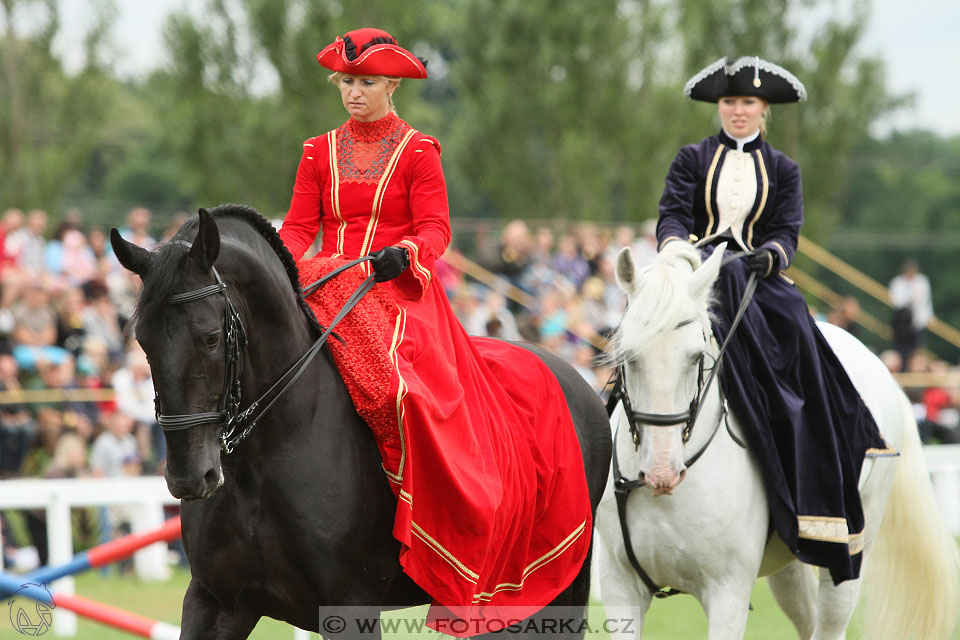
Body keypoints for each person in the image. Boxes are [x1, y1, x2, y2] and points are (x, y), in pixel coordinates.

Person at [277, 28, 591, 625]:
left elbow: (436, 231)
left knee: (404, 392)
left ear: (391, 84)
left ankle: (421, 519)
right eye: (346, 82)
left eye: (366, 82)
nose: (354, 93)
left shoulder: (419, 150)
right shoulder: (317, 151)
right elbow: (298, 228)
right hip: (322, 281)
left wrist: (408, 254)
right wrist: (281, 264)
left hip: (397, 290)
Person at [656, 56, 893, 584]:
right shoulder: (691, 158)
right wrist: (676, 251)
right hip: (697, 275)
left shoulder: (784, 169)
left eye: (747, 103)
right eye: (729, 102)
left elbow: (787, 229)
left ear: (765, 111)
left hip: (758, 281)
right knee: (648, 332)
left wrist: (773, 255)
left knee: (799, 342)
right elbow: (673, 213)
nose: (737, 112)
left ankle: (808, 442)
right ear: (719, 107)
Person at [889, 259, 933, 366]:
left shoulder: (922, 281)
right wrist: (910, 298)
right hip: (902, 325)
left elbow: (925, 301)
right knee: (902, 352)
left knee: (917, 352)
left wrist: (929, 317)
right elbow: (896, 301)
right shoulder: (897, 282)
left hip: (918, 323)